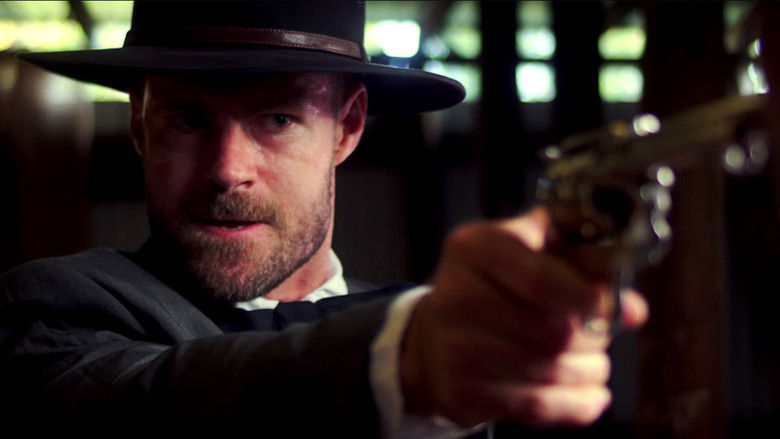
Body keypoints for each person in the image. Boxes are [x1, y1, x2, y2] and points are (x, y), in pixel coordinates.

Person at [0, 2, 648, 438]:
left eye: (278, 118)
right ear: (140, 127)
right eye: (187, 120)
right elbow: (140, 403)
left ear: (348, 127)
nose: (227, 170)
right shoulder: (57, 308)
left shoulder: (434, 323)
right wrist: (403, 365)